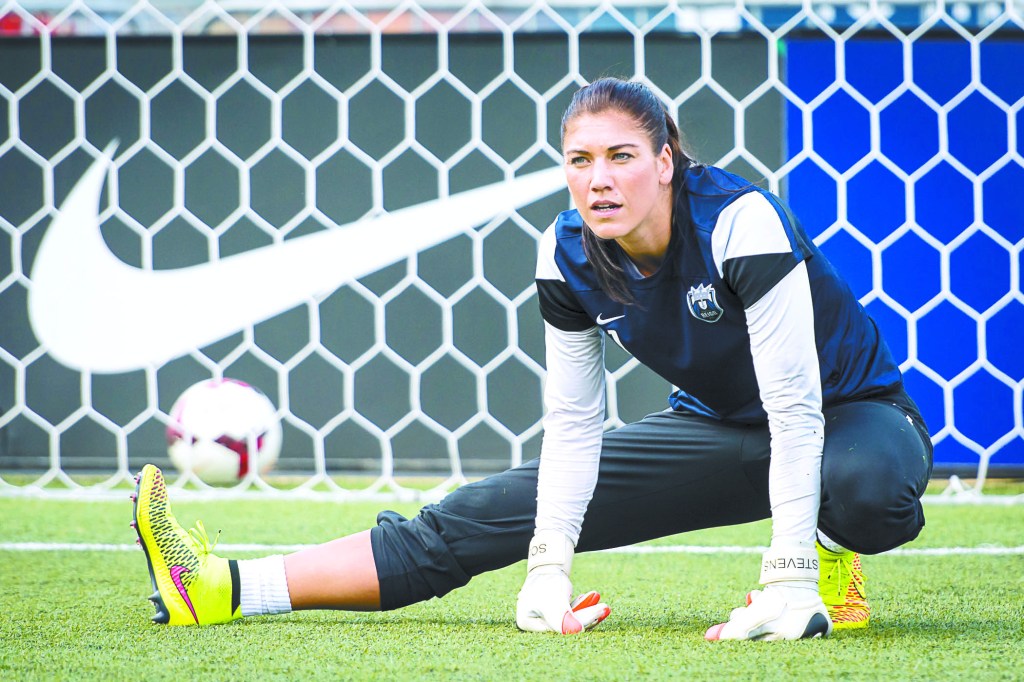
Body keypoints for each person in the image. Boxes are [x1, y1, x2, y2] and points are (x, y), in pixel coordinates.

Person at [131, 77, 933, 641]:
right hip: (721, 430)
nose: (599, 180)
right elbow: (575, 424)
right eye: (580, 161)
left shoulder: (740, 220)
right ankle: (224, 588)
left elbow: (795, 406)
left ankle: (826, 556)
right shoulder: (567, 254)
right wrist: (548, 566)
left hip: (848, 416)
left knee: (862, 490)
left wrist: (788, 577)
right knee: (485, 514)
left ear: (666, 162)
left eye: (621, 156)